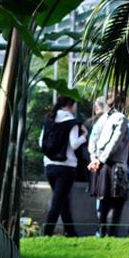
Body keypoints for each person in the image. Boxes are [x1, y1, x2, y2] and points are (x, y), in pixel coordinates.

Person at [88, 90, 129, 237]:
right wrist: (101, 159)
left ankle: (101, 233)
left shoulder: (103, 117)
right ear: (122, 101)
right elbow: (114, 142)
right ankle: (110, 235)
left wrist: (95, 159)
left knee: (103, 201)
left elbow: (93, 139)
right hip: (116, 166)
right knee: (116, 202)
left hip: (101, 166)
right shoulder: (121, 118)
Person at [40, 95, 87, 237]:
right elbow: (74, 144)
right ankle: (46, 233)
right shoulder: (71, 122)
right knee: (58, 202)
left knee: (62, 200)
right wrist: (85, 135)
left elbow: (40, 141)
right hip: (66, 167)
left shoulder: (50, 119)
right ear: (70, 105)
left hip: (49, 166)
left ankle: (71, 232)